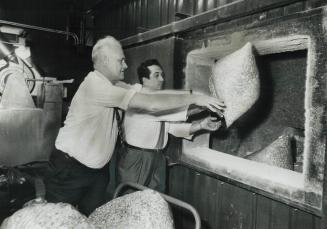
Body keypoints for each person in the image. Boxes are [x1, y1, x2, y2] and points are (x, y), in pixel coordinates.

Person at [45, 36, 225, 216]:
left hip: (97, 171)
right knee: (58, 219)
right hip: (70, 169)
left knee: (96, 220)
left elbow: (161, 110)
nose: (125, 65)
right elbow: (152, 104)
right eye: (121, 60)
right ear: (106, 60)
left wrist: (200, 110)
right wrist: (197, 98)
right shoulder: (96, 86)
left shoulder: (117, 86)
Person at [116, 59, 223, 193]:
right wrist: (204, 104)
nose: (161, 79)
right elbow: (176, 113)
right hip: (138, 158)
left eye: (162, 75)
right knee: (130, 202)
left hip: (158, 157)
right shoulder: (140, 101)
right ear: (144, 79)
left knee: (156, 202)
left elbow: (173, 128)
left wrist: (201, 125)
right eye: (156, 75)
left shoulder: (160, 103)